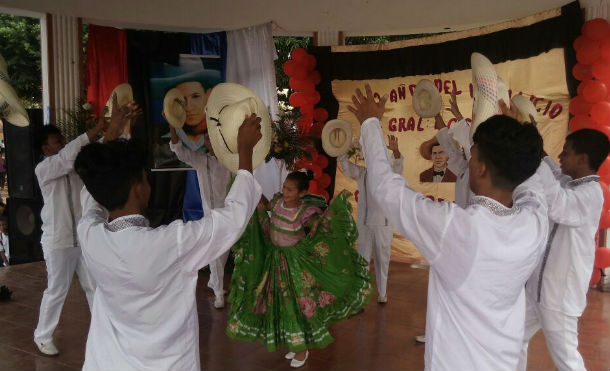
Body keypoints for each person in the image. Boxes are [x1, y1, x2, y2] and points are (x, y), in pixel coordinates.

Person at [349, 84, 549, 371]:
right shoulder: (534, 220)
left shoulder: (458, 229)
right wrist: (521, 141)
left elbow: (386, 188)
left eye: (474, 154)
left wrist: (370, 123)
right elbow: (532, 181)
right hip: (505, 360)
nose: (467, 158)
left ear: (480, 168)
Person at [75, 112, 263, 371]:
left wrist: (108, 139)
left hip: (106, 363)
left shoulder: (89, 234)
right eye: (145, 178)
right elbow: (233, 218)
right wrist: (245, 153)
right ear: (139, 188)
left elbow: (91, 193)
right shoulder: (170, 244)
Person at [226, 171, 372, 368]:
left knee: (296, 307)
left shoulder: (305, 212)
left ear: (302, 193)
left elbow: (319, 227)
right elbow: (266, 205)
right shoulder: (277, 202)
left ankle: (302, 350)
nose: (284, 191)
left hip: (295, 267)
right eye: (284, 187)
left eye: (290, 189)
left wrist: (328, 216)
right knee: (279, 304)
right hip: (274, 261)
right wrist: (248, 184)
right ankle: (295, 344)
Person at [32, 98, 136, 355]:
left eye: (62, 141)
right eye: (57, 142)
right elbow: (68, 158)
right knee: (57, 289)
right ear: (46, 149)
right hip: (58, 241)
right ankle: (42, 335)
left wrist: (114, 127)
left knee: (94, 286)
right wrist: (96, 129)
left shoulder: (76, 164)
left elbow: (94, 151)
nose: (63, 144)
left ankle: (103, 331)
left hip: (82, 237)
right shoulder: (44, 169)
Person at [518, 129, 610, 371]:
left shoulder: (592, 193)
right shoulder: (570, 182)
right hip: (537, 290)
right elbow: (553, 171)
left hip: (559, 298)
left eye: (566, 152)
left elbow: (558, 204)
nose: (560, 156)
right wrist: (532, 132)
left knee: (567, 360)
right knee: (513, 338)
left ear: (583, 158)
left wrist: (531, 149)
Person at [169, 126, 232, 308]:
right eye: (207, 139)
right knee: (215, 252)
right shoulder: (200, 160)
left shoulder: (230, 163)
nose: (210, 143)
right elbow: (178, 149)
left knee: (223, 252)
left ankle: (214, 282)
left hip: (228, 214)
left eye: (213, 139)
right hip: (211, 217)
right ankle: (218, 291)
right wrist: (173, 126)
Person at [337, 134, 403, 303]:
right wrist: (346, 149)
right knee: (363, 258)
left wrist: (395, 150)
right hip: (365, 223)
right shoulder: (362, 173)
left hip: (383, 223)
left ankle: (382, 293)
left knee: (382, 259)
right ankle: (361, 293)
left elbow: (399, 168)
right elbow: (345, 166)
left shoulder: (388, 173)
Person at [433, 92, 473, 207]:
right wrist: (435, 113)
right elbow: (447, 143)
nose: (462, 148)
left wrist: (458, 115)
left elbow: (470, 146)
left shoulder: (478, 168)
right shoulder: (463, 169)